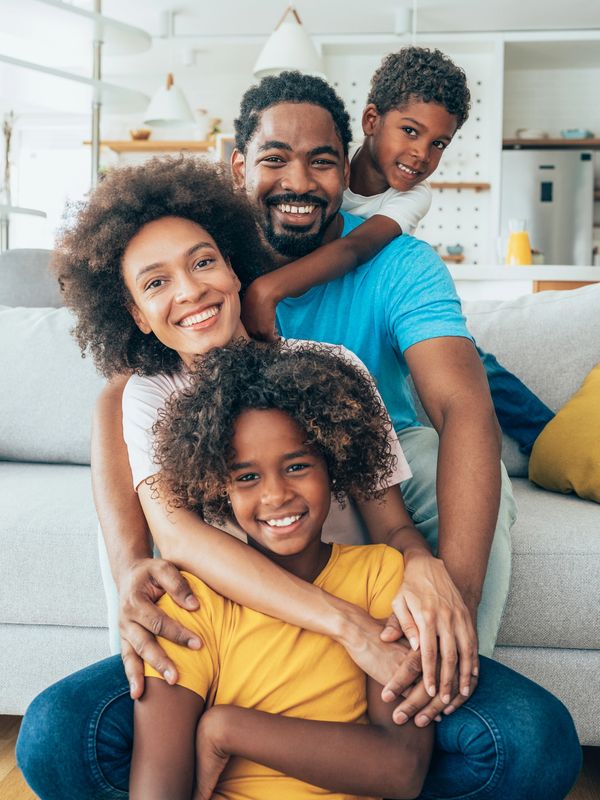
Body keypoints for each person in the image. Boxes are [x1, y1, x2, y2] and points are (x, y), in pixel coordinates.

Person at [17, 155, 580, 799]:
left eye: (203, 263)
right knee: (55, 735)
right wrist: (350, 629)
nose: (191, 291)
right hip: (234, 648)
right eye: (155, 284)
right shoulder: (145, 397)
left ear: (233, 266)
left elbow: (392, 522)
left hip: (360, 646)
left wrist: (423, 566)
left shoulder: (328, 367)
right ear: (137, 314)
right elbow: (180, 542)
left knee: (533, 742)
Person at [131, 339, 434, 800]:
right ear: (217, 487)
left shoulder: (381, 576)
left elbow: (402, 770)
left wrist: (223, 729)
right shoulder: (190, 603)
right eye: (247, 476)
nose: (275, 496)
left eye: (296, 466)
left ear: (333, 467)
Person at [240, 47, 554, 454]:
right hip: (339, 300)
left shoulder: (411, 197)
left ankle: (549, 438)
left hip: (380, 292)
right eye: (410, 131)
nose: (421, 154)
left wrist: (269, 289)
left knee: (473, 366)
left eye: (438, 142)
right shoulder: (328, 161)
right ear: (371, 121)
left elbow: (354, 248)